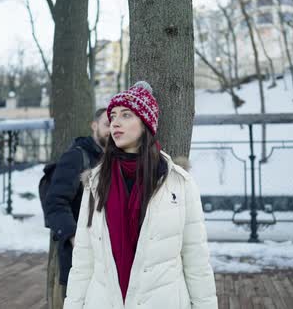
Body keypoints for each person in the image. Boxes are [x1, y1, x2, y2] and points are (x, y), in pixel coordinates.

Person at [64, 82, 217, 309]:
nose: (115, 122)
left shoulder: (178, 182)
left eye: (126, 115)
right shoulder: (95, 183)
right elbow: (83, 261)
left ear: (146, 124)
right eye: (113, 115)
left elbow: (196, 259)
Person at [44, 107, 110, 308]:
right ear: (94, 126)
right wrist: (76, 238)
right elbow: (55, 203)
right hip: (79, 261)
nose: (111, 130)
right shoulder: (76, 157)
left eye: (115, 125)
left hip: (106, 261)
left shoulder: (114, 160)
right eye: (107, 124)